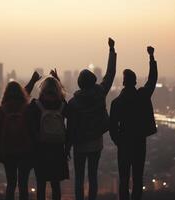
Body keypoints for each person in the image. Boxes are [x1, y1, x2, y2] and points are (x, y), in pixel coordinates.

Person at [67, 38, 117, 200]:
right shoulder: (100, 93)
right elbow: (110, 74)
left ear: (80, 84)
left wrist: (67, 147)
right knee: (93, 177)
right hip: (96, 142)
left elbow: (71, 127)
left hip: (79, 144)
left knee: (79, 179)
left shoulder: (74, 102)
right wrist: (111, 50)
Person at [109, 46, 158, 200]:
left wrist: (119, 141)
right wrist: (151, 57)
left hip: (124, 143)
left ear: (124, 82)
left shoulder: (117, 102)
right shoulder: (142, 96)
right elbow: (152, 79)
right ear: (135, 82)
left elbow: (112, 127)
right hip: (139, 142)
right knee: (137, 178)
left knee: (123, 179)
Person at [0, 72, 41, 200]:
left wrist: (3, 137)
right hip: (25, 150)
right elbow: (32, 127)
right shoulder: (27, 109)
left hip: (7, 151)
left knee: (11, 184)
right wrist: (33, 80)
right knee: (23, 184)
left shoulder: (0, 110)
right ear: (21, 93)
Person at [27, 70, 69, 200]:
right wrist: (58, 81)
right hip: (57, 148)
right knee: (55, 184)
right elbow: (64, 100)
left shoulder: (36, 105)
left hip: (41, 148)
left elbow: (29, 123)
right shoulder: (62, 105)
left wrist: (33, 81)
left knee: (41, 183)